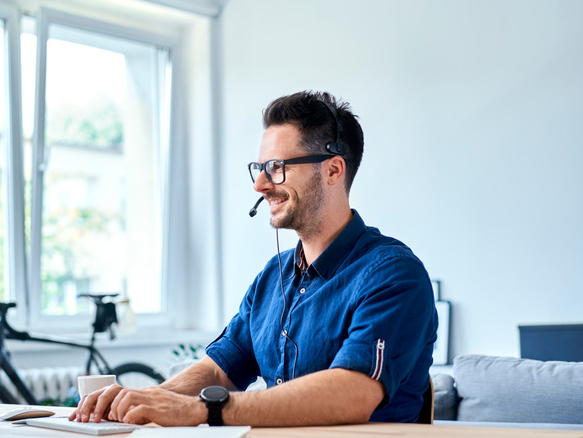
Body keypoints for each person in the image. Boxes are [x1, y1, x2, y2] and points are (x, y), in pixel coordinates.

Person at [71, 90, 438, 427]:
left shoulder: (393, 274)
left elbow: (353, 393)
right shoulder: (273, 277)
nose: (260, 185)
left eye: (276, 167)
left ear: (332, 170)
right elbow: (220, 370)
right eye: (259, 168)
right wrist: (146, 401)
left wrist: (205, 409)